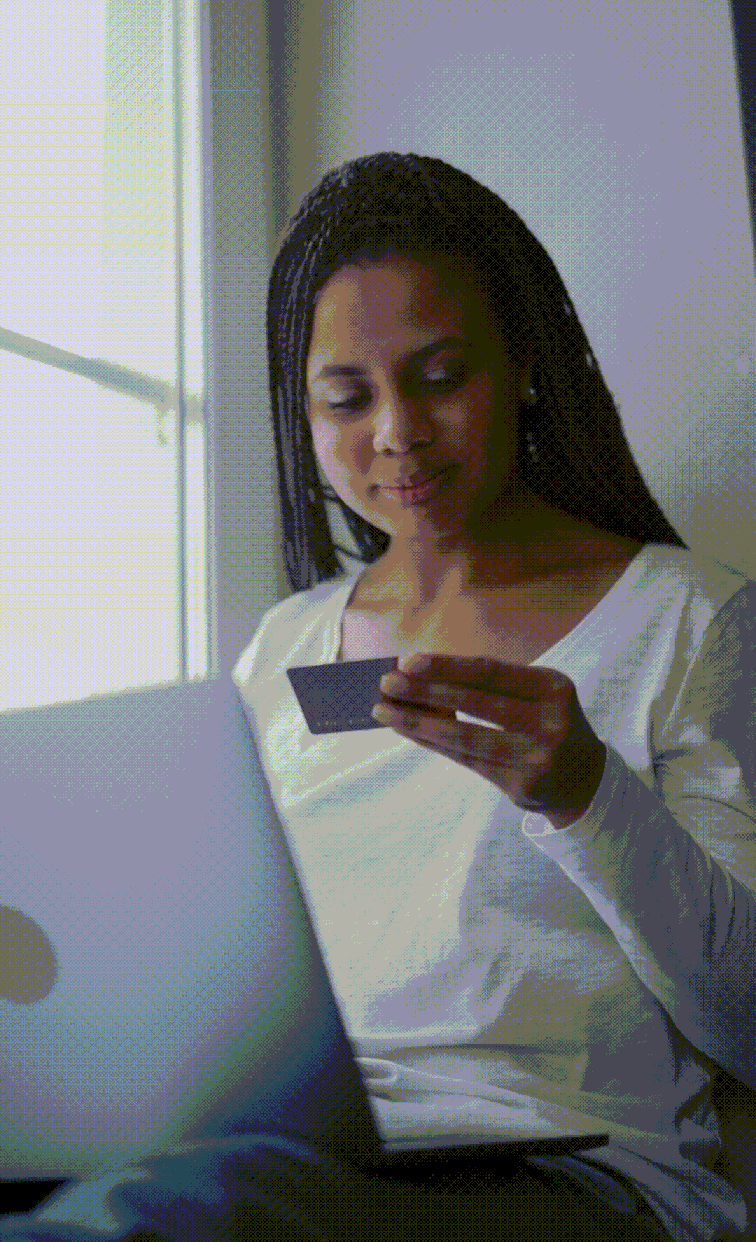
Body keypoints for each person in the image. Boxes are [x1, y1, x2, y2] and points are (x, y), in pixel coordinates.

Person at [3, 154, 754, 1240]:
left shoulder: (685, 621)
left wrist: (589, 796)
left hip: (573, 1176)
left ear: (524, 364)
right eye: (348, 399)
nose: (397, 431)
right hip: (304, 1151)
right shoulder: (286, 650)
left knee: (179, 1214)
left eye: (440, 377)